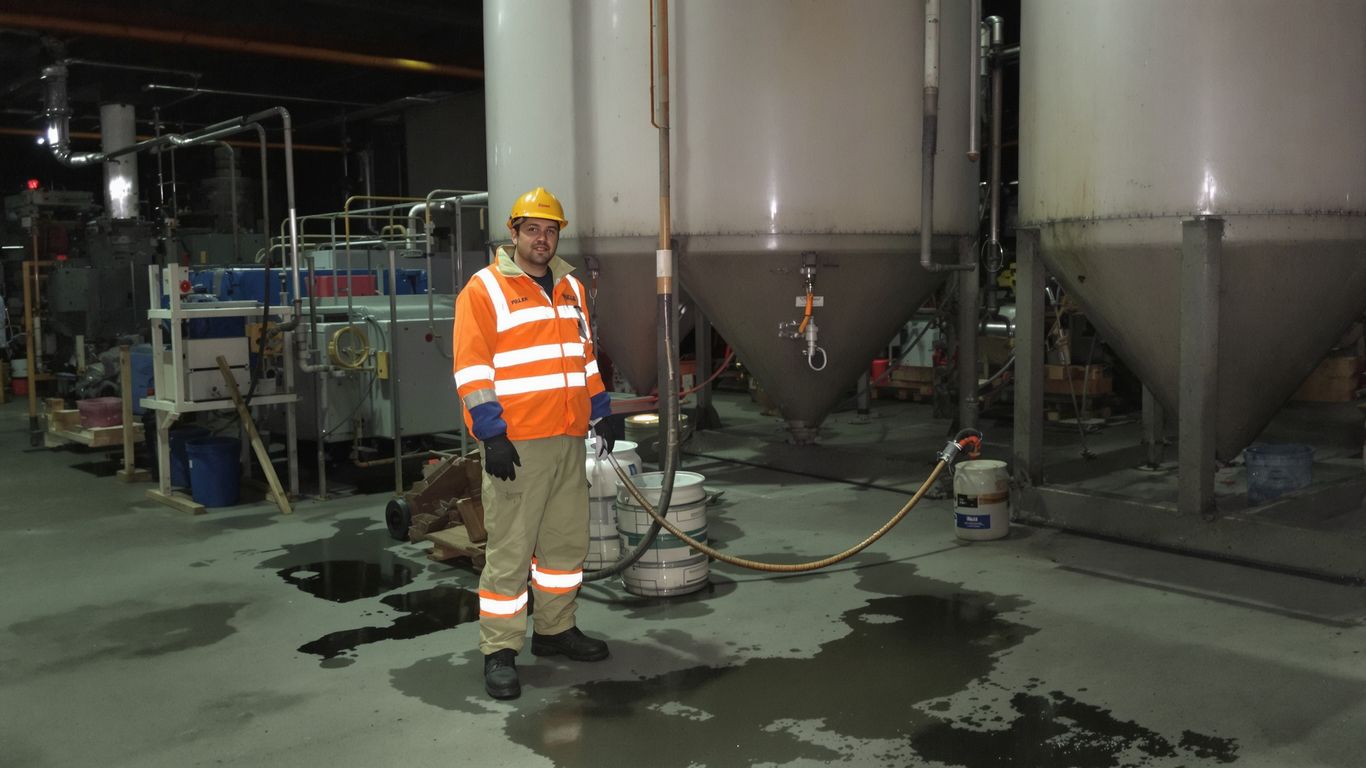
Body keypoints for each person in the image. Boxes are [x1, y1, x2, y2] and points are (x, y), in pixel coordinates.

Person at [452, 186, 617, 700]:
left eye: (550, 230)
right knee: (511, 550)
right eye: (532, 229)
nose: (542, 238)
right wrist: (492, 434)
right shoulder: (485, 289)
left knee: (566, 544)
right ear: (514, 233)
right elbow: (473, 369)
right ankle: (500, 650)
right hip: (518, 444)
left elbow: (585, 358)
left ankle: (554, 630)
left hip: (569, 436)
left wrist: (603, 411)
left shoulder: (571, 289)